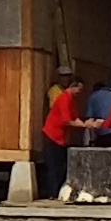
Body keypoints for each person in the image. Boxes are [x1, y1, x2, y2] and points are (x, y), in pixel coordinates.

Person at [40, 73, 78, 203]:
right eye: (79, 89)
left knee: (60, 165)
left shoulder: (70, 99)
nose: (80, 92)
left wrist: (84, 123)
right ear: (73, 86)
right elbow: (66, 120)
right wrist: (83, 125)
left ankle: (58, 191)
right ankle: (53, 193)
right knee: (53, 166)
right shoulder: (63, 97)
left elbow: (74, 116)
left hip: (61, 137)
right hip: (53, 135)